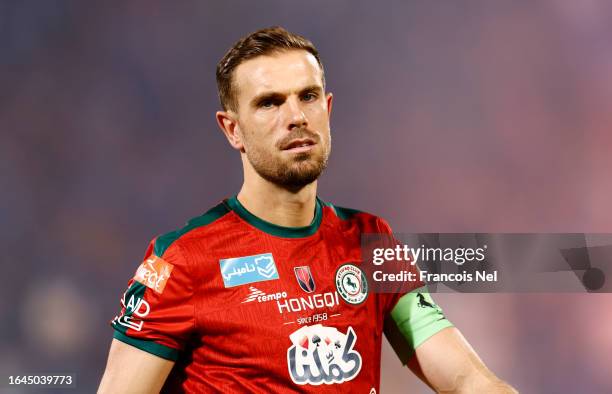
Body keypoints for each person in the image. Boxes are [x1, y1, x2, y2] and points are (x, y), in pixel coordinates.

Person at [98, 26, 516, 393]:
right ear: (232, 129)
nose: (296, 116)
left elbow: (466, 381)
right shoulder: (181, 262)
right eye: (269, 103)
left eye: (308, 96)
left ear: (327, 109)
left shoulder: (370, 241)